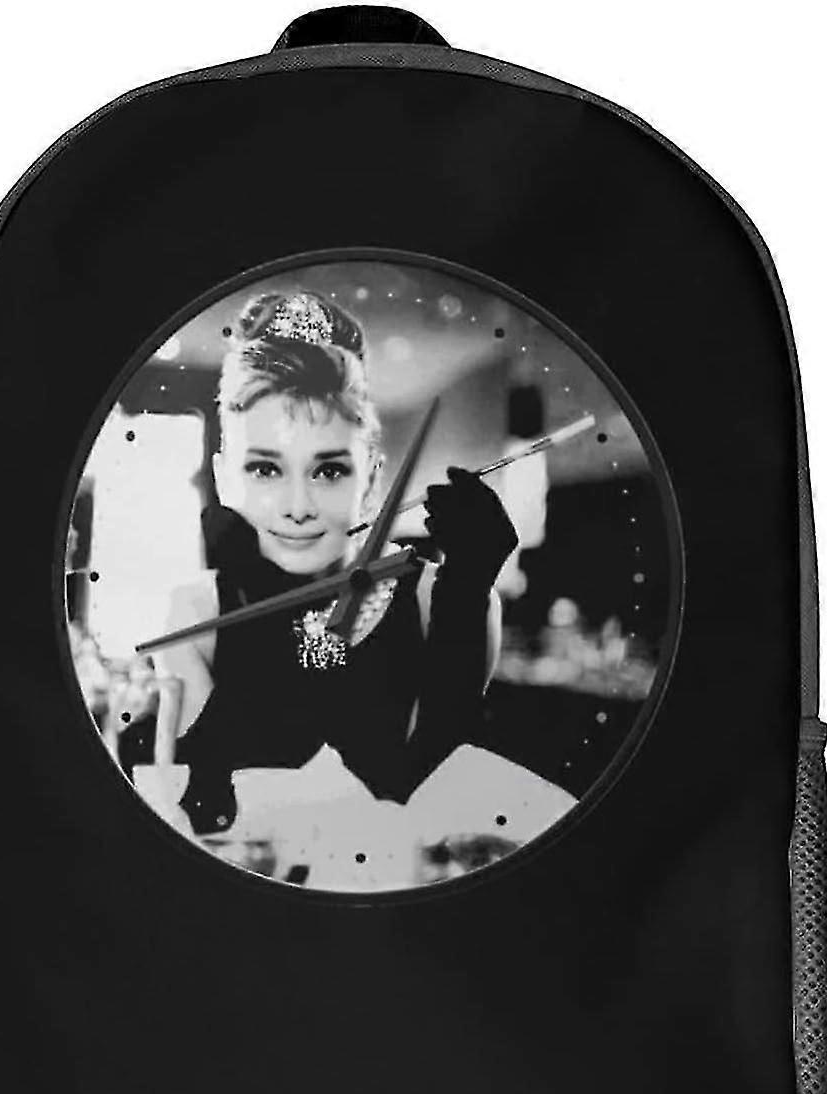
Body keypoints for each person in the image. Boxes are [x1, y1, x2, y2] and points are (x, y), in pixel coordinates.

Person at [146, 289, 574, 884]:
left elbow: (437, 797)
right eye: (265, 468)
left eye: (329, 470)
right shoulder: (196, 610)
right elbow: (202, 811)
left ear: (371, 478)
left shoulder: (440, 599)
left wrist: (465, 596)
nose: (297, 506)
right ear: (222, 477)